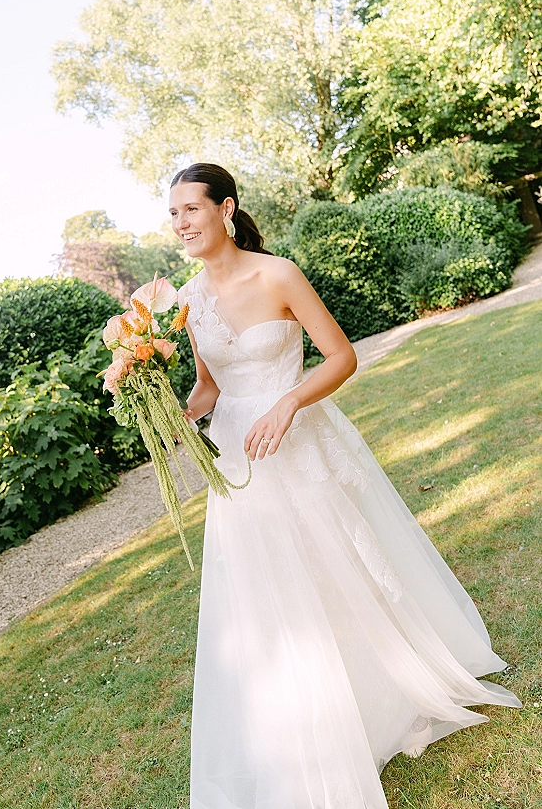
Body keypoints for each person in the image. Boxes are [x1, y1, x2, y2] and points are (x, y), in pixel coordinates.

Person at [170, 163, 521, 809]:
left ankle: (400, 698)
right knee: (270, 592)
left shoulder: (277, 274)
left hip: (298, 441)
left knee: (338, 569)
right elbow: (210, 386)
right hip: (240, 462)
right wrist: (170, 411)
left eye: (190, 209)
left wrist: (288, 402)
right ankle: (319, 719)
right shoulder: (189, 301)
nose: (180, 224)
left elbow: (341, 355)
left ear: (226, 209)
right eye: (173, 215)